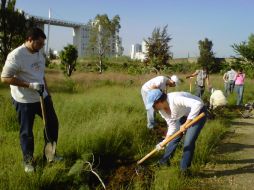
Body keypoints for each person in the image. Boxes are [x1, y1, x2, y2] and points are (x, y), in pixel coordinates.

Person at [1, 27, 61, 173]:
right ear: (29, 39)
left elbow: (41, 75)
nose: (41, 47)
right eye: (38, 43)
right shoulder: (16, 55)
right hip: (24, 100)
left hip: (43, 97)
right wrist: (29, 85)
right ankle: (28, 161)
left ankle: (50, 155)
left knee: (52, 124)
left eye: (42, 44)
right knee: (27, 132)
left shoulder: (39, 53)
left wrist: (48, 92)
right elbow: (4, 78)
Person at [145, 89, 207, 173]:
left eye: (153, 106)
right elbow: (172, 126)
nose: (153, 108)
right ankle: (164, 162)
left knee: (188, 141)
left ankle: (184, 170)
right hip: (184, 114)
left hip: (198, 112)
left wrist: (186, 123)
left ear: (159, 101)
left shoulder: (175, 99)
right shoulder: (162, 110)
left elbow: (197, 104)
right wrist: (164, 141)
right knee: (173, 138)